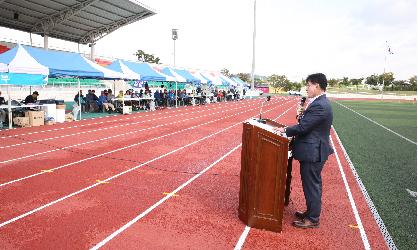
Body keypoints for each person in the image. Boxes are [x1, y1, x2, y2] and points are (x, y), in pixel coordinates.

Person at [275, 73, 333, 229]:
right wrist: (301, 114)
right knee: (311, 184)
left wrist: (284, 130)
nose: (307, 88)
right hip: (312, 150)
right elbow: (306, 124)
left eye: (309, 85)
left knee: (312, 185)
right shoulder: (317, 103)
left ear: (317, 86)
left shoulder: (320, 105)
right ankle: (310, 213)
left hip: (313, 152)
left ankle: (313, 219)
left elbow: (303, 128)